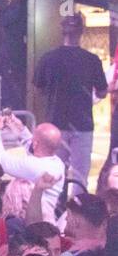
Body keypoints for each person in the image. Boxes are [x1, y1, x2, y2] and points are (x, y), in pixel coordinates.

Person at [33, 14, 108, 183]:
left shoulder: (48, 58)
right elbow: (102, 91)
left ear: (62, 31)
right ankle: (77, 207)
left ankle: (55, 207)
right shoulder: (92, 60)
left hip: (55, 123)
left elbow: (38, 89)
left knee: (54, 173)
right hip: (83, 124)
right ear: (81, 32)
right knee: (80, 176)